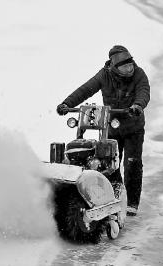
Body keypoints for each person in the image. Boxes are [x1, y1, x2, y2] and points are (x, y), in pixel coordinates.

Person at [56, 45, 150, 216]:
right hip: (112, 125)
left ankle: (132, 203)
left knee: (132, 163)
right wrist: (67, 104)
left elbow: (144, 92)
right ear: (115, 67)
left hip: (133, 127)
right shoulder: (104, 75)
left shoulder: (139, 74)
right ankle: (116, 194)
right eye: (125, 66)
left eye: (131, 65)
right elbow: (86, 89)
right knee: (110, 162)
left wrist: (137, 105)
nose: (130, 69)